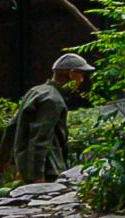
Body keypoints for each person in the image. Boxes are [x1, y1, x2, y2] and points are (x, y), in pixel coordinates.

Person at [7, 50, 94, 184]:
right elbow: (40, 139)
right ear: (71, 74)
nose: (81, 80)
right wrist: (38, 177)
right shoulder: (53, 100)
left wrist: (1, 160)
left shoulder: (36, 91)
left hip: (28, 165)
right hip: (48, 169)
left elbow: (12, 126)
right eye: (80, 74)